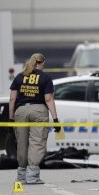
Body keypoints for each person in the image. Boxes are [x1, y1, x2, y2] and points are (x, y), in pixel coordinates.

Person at [8, 53, 60, 184]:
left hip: (21, 111)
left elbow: (12, 99)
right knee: (37, 142)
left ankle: (21, 176)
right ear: (42, 63)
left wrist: (10, 119)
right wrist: (55, 120)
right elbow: (48, 99)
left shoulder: (20, 76)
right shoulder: (45, 78)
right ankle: (32, 176)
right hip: (38, 110)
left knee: (22, 143)